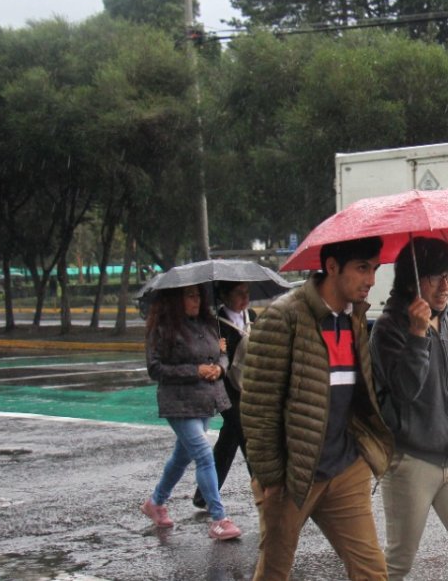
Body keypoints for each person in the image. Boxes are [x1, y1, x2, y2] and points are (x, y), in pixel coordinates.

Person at [242, 236, 393, 581]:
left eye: (374, 269)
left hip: (345, 468)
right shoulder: (284, 318)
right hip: (294, 473)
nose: (370, 279)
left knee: (372, 571)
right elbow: (259, 408)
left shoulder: (354, 317)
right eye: (362, 268)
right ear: (331, 267)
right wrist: (270, 477)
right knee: (275, 571)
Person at [370, 238, 448, 581]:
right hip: (410, 462)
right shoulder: (388, 329)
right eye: (435, 277)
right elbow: (404, 391)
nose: (445, 287)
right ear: (412, 280)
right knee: (397, 563)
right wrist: (416, 335)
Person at [140, 284, 242, 541]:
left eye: (198, 295)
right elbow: (155, 368)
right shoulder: (161, 329)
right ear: (175, 299)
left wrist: (220, 368)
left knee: (181, 456)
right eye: (190, 296)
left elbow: (222, 352)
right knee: (204, 454)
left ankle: (156, 502)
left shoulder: (209, 324)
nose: (196, 300)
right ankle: (219, 518)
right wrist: (194, 371)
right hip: (178, 402)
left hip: (206, 400)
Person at [192, 281, 256, 510]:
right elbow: (216, 357)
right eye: (239, 293)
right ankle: (265, 492)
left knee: (229, 441)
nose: (245, 298)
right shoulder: (216, 325)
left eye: (247, 292)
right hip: (227, 391)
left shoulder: (252, 316)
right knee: (249, 437)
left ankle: (204, 495)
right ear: (224, 296)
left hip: (249, 387)